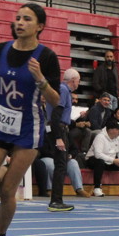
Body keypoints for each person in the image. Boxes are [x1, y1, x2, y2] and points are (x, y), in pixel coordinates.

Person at [0, 2, 61, 236]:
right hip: (0, 125)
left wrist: (40, 79)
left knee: (7, 191)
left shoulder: (47, 57)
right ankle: (3, 170)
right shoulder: (1, 49)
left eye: (27, 19)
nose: (20, 23)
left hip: (28, 129)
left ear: (40, 26)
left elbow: (55, 100)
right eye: (18, 18)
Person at [44, 67, 80, 211]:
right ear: (73, 80)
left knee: (61, 165)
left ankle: (56, 199)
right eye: (78, 80)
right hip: (58, 128)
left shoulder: (62, 90)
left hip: (58, 127)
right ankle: (56, 200)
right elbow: (56, 114)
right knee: (60, 165)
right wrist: (58, 137)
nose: (78, 83)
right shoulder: (63, 90)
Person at [87, 119, 119, 197]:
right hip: (93, 160)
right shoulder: (100, 137)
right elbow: (98, 154)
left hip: (110, 161)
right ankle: (97, 188)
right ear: (110, 130)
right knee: (100, 162)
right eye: (117, 129)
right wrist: (113, 160)